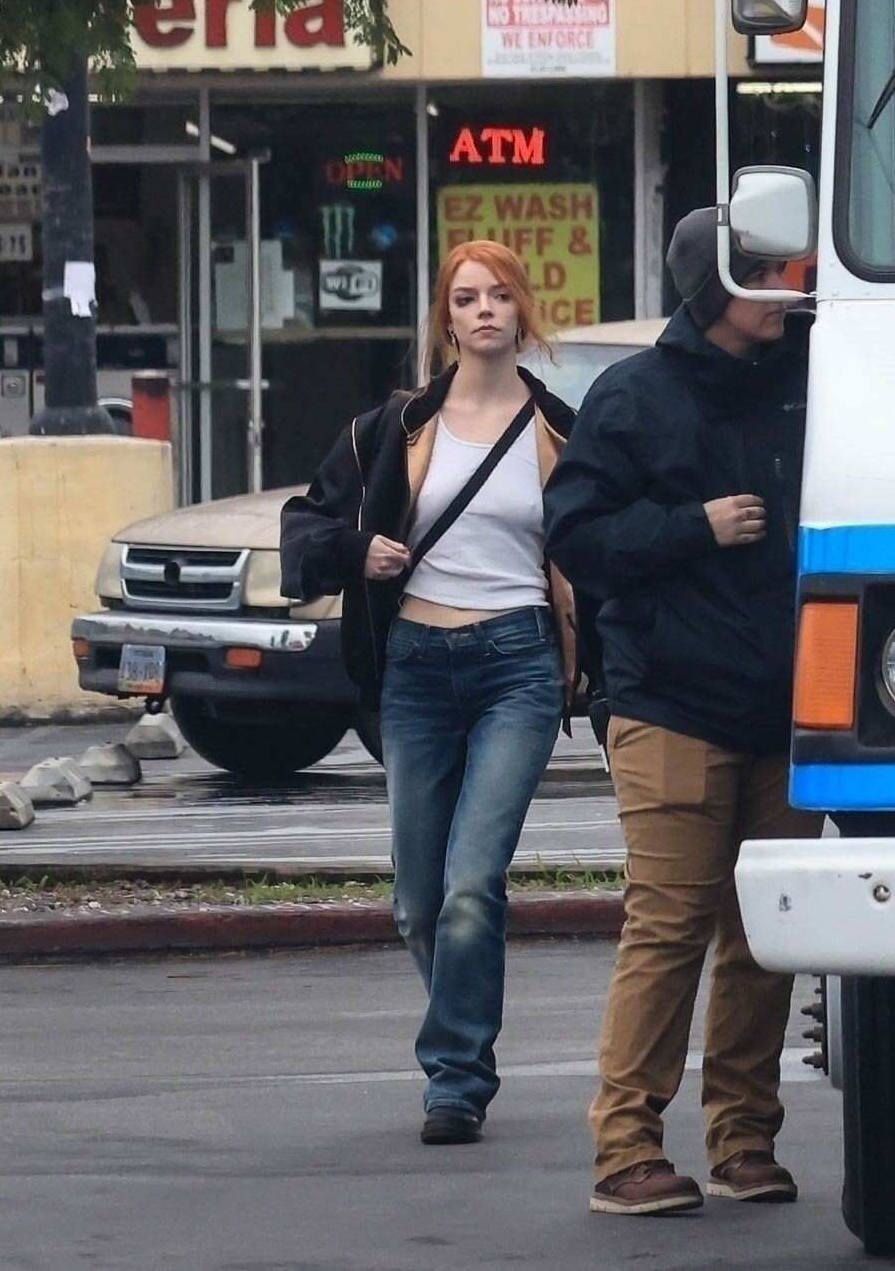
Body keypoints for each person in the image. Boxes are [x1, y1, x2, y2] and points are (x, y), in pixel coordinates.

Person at [543, 207, 822, 1217]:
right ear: (714, 287)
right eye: (766, 273)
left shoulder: (810, 382)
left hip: (788, 709)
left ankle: (744, 1141)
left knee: (762, 937)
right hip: (668, 703)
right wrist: (690, 527)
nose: (789, 287)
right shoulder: (631, 397)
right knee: (668, 926)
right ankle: (624, 1151)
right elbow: (575, 537)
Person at [280, 240, 578, 1145]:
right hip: (414, 666)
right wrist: (356, 551)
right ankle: (464, 1040)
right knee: (417, 902)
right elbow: (306, 521)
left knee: (471, 885)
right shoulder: (395, 427)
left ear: (522, 310)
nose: (484, 309)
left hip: (518, 664)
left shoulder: (561, 429)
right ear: (445, 318)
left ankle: (456, 1078)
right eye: (466, 297)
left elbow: (602, 543)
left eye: (499, 294)